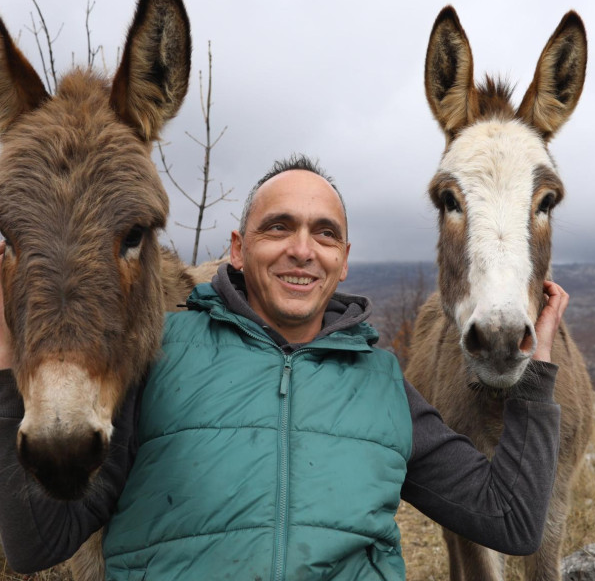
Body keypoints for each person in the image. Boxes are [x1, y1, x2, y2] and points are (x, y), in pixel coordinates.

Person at [0, 155, 566, 580]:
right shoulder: (158, 359)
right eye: (278, 227)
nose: (302, 249)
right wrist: (8, 373)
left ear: (343, 262)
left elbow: (511, 520)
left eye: (325, 233)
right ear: (237, 250)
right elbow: (38, 542)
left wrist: (535, 375)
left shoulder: (383, 384)